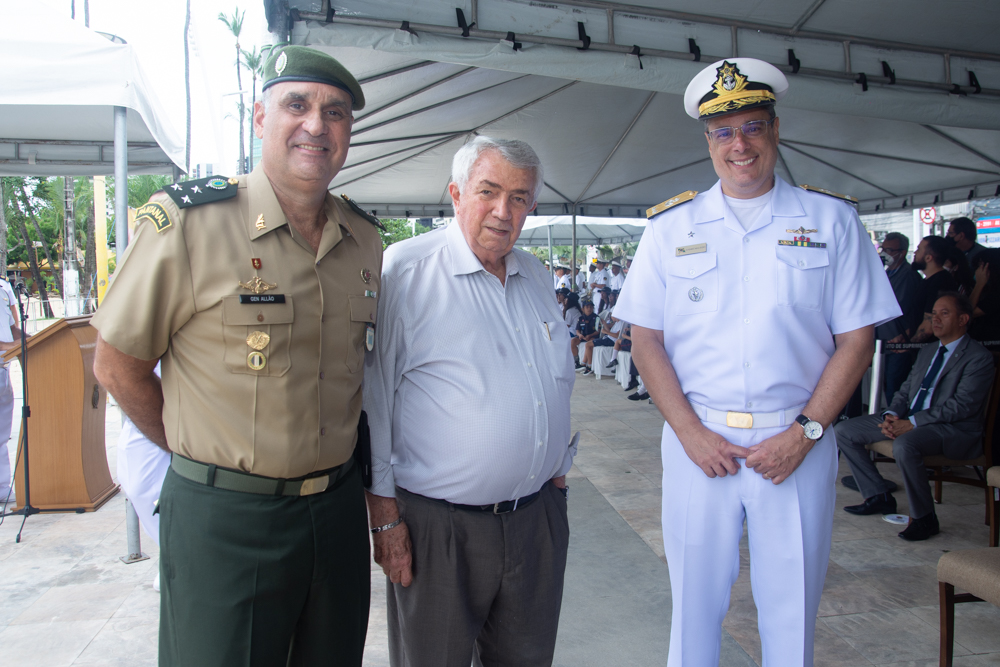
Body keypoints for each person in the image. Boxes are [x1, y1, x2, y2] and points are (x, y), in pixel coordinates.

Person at [91, 46, 382, 666]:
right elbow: (116, 365)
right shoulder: (190, 223)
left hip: (334, 512)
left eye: (335, 113)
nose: (316, 125)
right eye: (296, 105)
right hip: (226, 519)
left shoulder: (363, 240)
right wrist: (197, 452)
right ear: (259, 117)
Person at [614, 57, 900, 666]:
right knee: (693, 612)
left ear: (775, 130)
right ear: (708, 141)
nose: (739, 145)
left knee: (792, 612)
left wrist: (805, 434)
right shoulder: (670, 227)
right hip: (698, 443)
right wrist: (690, 434)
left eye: (752, 127)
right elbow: (646, 341)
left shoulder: (832, 220)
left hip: (797, 442)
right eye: (723, 132)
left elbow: (856, 339)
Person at [362, 136, 575, 667]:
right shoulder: (406, 272)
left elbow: (554, 380)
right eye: (489, 192)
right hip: (440, 530)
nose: (504, 211)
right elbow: (374, 404)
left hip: (535, 520)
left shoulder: (535, 274)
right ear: (456, 194)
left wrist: (556, 474)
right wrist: (384, 519)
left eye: (520, 198)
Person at [836, 293, 994, 540]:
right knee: (844, 431)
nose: (935, 319)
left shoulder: (978, 357)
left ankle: (924, 518)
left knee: (905, 445)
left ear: (963, 319)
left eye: (944, 313)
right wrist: (891, 415)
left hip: (952, 429)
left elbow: (962, 407)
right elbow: (906, 390)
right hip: (910, 420)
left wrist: (911, 424)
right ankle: (878, 494)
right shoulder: (928, 350)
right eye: (933, 314)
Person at [877, 233, 924, 404]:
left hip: (898, 341)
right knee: (883, 385)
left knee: (895, 388)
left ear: (902, 253)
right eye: (883, 249)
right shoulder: (886, 273)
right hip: (883, 341)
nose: (884, 254)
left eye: (889, 250)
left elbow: (899, 305)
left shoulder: (908, 275)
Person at [0, 276, 28, 507]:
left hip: (3, 368)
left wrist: (31, 339)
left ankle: (1, 489)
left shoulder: (3, 287)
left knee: (2, 435)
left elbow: (11, 329)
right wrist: (12, 346)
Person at [911, 235, 958, 343]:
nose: (915, 253)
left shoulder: (940, 282)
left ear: (928, 258)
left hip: (931, 347)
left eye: (919, 249)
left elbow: (928, 327)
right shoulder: (926, 281)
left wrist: (909, 346)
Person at [574, 299, 599, 374]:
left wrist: (590, 335)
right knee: (572, 341)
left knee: (589, 343)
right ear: (583, 309)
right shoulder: (581, 318)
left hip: (592, 336)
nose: (589, 309)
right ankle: (577, 362)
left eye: (591, 307)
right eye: (587, 307)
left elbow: (598, 331)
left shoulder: (596, 318)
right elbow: (577, 330)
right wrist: (580, 335)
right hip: (583, 336)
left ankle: (588, 365)